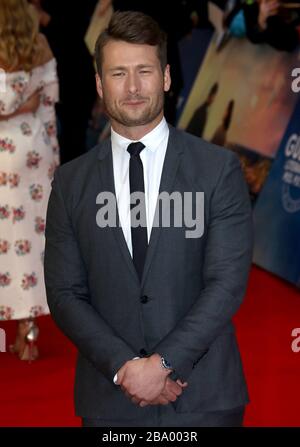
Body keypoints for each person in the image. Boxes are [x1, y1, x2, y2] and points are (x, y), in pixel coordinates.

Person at [44, 11, 253, 427]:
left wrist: (163, 364)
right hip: (110, 397)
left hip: (203, 397)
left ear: (167, 77)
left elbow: (227, 282)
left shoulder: (218, 169)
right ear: (101, 84)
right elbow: (65, 293)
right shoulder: (71, 182)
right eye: (119, 73)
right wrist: (125, 367)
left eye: (145, 71)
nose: (134, 87)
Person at [0, 0, 59, 360]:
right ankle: (29, 330)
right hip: (36, 156)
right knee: (32, 240)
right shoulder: (43, 47)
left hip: (3, 155)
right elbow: (50, 99)